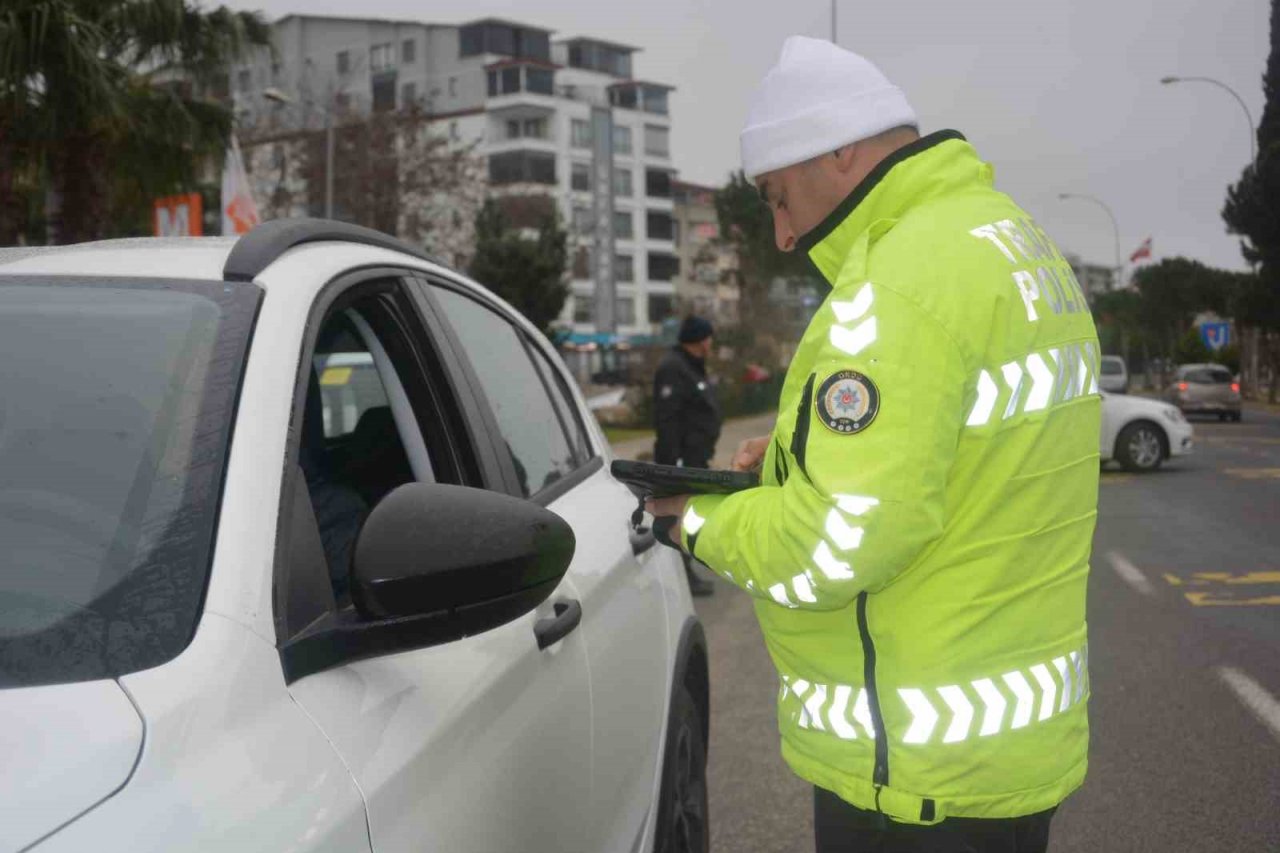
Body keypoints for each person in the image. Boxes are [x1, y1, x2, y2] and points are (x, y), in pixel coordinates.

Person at [647, 36, 1100, 853]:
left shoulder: (897, 283)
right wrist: (795, 459)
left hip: (917, 774)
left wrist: (692, 520)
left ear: (840, 151)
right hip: (1005, 749)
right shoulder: (1010, 239)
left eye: (778, 197)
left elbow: (836, 543)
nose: (783, 233)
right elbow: (962, 446)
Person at [653, 314, 722, 597]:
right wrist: (673, 465)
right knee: (679, 517)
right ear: (700, 340)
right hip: (681, 461)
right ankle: (682, 575)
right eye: (709, 338)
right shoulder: (674, 368)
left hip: (696, 457)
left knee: (690, 515)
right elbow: (668, 420)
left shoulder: (691, 366)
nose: (711, 343)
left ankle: (687, 567)